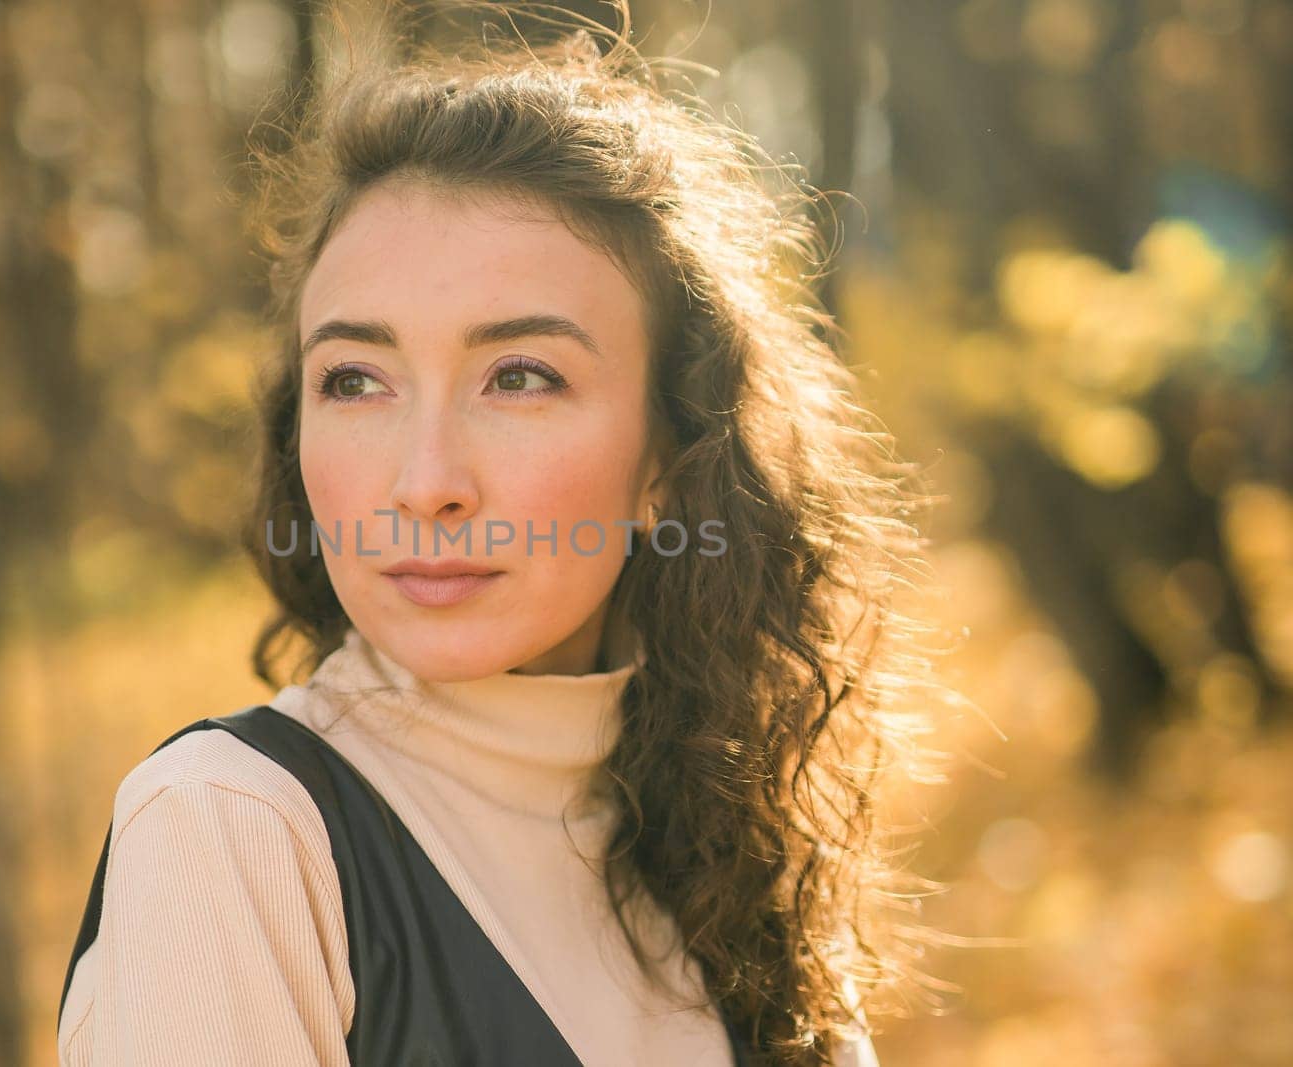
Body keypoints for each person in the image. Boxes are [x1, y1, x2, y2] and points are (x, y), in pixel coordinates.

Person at [59, 4, 947, 1064]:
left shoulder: (725, 850)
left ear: (669, 455)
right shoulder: (234, 830)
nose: (425, 482)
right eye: (355, 380)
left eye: (518, 376)